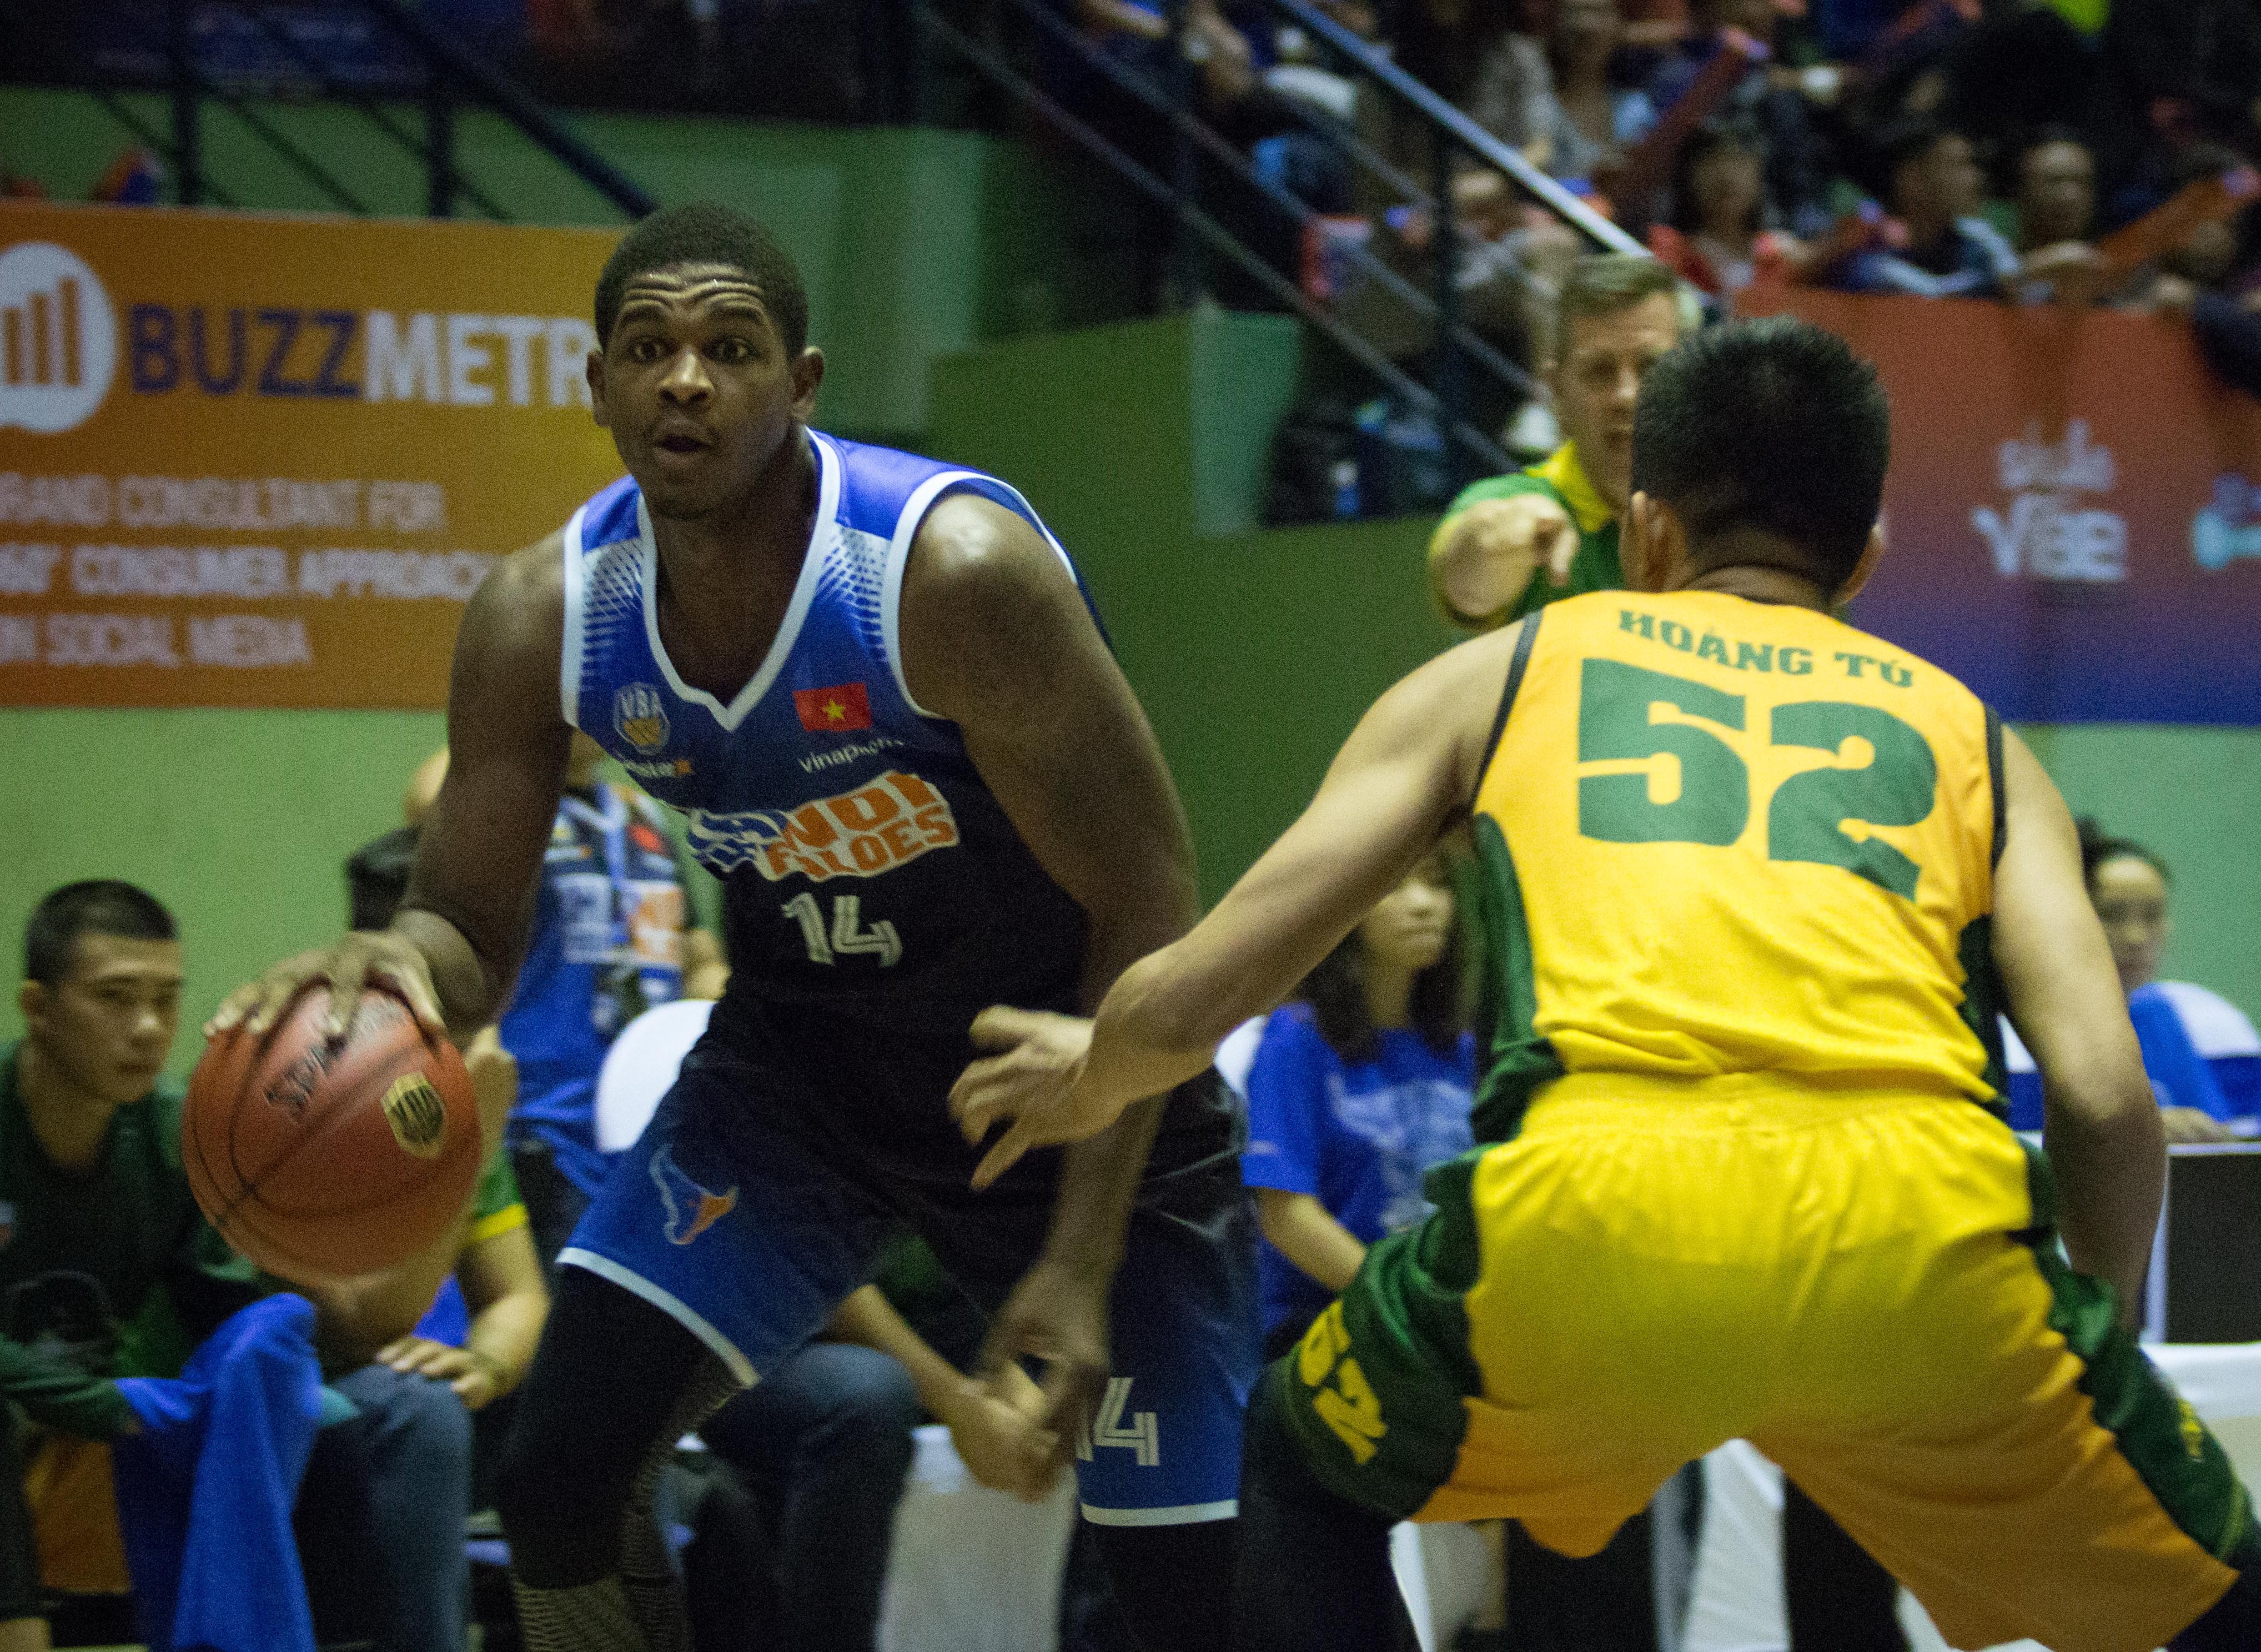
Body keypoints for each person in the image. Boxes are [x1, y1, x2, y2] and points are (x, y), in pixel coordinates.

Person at [952, 316, 2261, 1652]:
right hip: (1921, 1241)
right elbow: (2105, 1102)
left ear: (1640, 536)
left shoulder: (1505, 671)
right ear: (1862, 561)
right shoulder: (1974, 733)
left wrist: (1092, 1067)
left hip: (1587, 1226)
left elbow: (1188, 1002)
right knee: (2219, 1587)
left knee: (1296, 1468)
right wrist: (2076, 1353)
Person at [212, 200, 1257, 1652]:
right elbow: (463, 925)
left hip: (1061, 1073)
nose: (686, 377)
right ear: (598, 387)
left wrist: (1079, 1252)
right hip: (801, 1077)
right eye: (648, 347)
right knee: (563, 1479)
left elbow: (1150, 891)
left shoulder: (940, 572)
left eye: (729, 347)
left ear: (803, 382)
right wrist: (396, 968)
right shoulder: (543, 611)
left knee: (1198, 1593)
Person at [0, 883, 508, 1652]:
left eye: (167, 999)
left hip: (100, 1434)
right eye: (114, 997)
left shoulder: (184, 1135)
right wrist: (106, 1406)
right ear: (37, 1007)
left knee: (404, 1413)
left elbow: (309, 1323)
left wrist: (467, 1151)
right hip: (57, 1423)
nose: (148, 1028)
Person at [406, 736, 727, 1268]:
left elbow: (696, 955)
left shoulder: (641, 813)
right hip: (545, 1131)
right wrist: (519, 713)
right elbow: (426, 799)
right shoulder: (513, 808)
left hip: (656, 1129)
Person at [1243, 856, 1474, 1363]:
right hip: (1320, 1336)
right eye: (1395, 885)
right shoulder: (1296, 1039)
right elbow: (1286, 1216)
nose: (1423, 905)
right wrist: (1406, 1313)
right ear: (1344, 907)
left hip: (1444, 1335)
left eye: (1437, 884)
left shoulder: (1464, 1052)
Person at [1426, 253, 1684, 633]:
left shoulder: (1731, 516)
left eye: (1650, 367)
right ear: (1558, 394)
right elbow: (1466, 583)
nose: (1626, 395)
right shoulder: (1517, 503)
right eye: (1599, 371)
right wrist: (1496, 541)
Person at [2074, 824, 2249, 1140]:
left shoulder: (2157, 1012)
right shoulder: (2035, 1023)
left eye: (2153, 914)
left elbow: (2217, 1136)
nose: (2136, 937)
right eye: (2111, 914)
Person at [1831, 119, 2019, 298]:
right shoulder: (1863, 237)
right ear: (1913, 179)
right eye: (1956, 166)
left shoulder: (1978, 242)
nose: (1976, 179)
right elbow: (1932, 296)